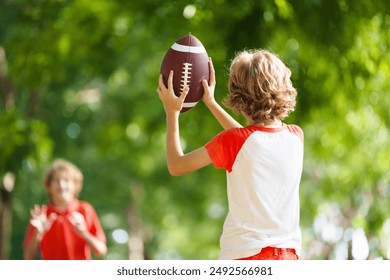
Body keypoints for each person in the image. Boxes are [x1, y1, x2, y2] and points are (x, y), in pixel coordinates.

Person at [157, 49, 304, 260]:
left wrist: (172, 113)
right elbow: (251, 143)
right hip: (289, 257)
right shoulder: (295, 137)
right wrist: (211, 103)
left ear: (238, 96)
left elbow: (176, 165)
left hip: (246, 257)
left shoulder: (234, 142)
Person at [23, 159, 107, 260]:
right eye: (56, 180)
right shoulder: (42, 215)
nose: (62, 185)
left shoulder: (85, 209)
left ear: (75, 185)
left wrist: (84, 233)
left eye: (66, 180)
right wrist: (38, 233)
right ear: (48, 186)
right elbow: (28, 257)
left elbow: (101, 251)